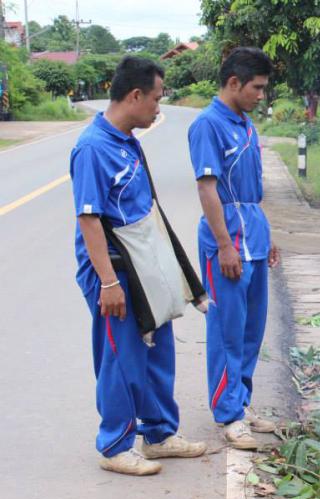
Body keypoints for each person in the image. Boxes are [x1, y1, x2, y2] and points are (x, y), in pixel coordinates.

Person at [70, 56, 207, 476]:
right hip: (114, 271)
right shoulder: (93, 148)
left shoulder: (128, 142)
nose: (158, 108)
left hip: (145, 266)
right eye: (156, 99)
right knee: (122, 356)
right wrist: (108, 283)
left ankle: (160, 434)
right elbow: (89, 219)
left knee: (158, 350)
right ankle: (115, 445)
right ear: (134, 95)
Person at [188, 47, 280, 450]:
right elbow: (207, 188)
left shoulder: (247, 125)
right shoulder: (207, 125)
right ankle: (228, 413)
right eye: (256, 88)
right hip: (227, 242)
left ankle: (242, 400)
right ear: (233, 83)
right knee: (227, 329)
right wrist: (224, 244)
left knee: (251, 330)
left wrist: (267, 234)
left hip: (254, 236)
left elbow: (251, 192)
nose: (261, 95)